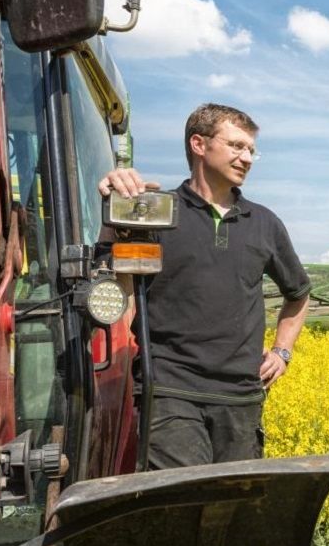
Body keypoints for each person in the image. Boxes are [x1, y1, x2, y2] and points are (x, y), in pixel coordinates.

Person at [98, 103, 311, 469]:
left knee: (231, 508)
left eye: (250, 150)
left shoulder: (264, 223)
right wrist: (115, 210)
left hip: (242, 395)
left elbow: (298, 295)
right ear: (199, 144)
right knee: (183, 501)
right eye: (236, 146)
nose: (247, 158)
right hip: (169, 390)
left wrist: (282, 352)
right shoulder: (155, 213)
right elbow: (116, 287)